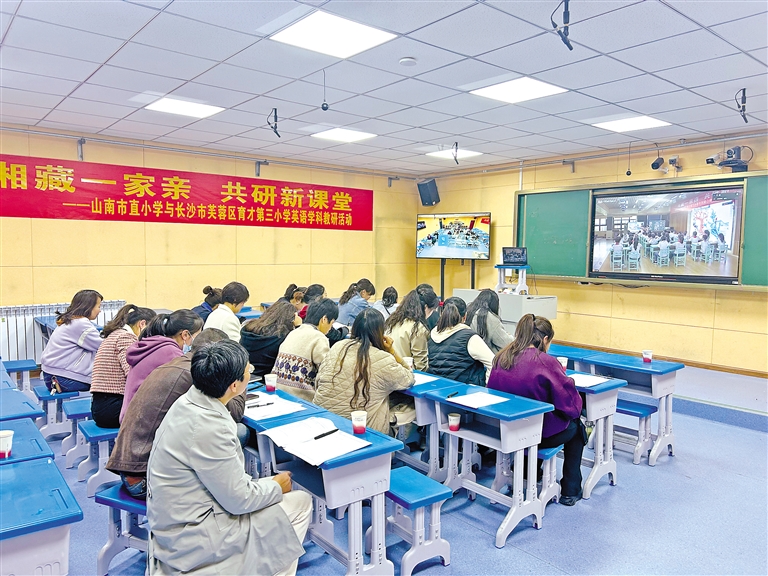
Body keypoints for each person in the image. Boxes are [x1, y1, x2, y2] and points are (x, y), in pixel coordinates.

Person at [146, 340, 311, 576]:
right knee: (300, 502)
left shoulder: (186, 402)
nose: (250, 372)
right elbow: (238, 500)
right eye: (248, 370)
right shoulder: (210, 427)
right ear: (235, 385)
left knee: (265, 489)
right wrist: (275, 486)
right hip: (193, 537)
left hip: (174, 520)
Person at [108, 329, 249, 499]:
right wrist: (240, 375)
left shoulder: (176, 364)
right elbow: (235, 412)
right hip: (143, 478)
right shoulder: (195, 375)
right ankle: (233, 488)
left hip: (131, 466)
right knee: (239, 431)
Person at [488, 314, 585, 506]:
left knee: (536, 418)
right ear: (545, 339)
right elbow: (571, 405)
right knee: (576, 428)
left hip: (506, 428)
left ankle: (526, 472)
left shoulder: (502, 357)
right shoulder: (546, 362)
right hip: (536, 434)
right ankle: (570, 490)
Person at [315, 308, 415, 435]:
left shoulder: (338, 347)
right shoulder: (383, 359)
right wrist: (392, 352)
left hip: (323, 423)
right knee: (409, 404)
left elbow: (319, 381)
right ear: (380, 333)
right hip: (361, 430)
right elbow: (409, 378)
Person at [120, 309, 203, 423]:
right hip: (142, 421)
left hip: (130, 417)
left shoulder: (153, 344)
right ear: (185, 334)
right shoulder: (171, 353)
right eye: (197, 336)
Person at [90, 304, 157, 428]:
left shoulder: (116, 334)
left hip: (104, 405)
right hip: (112, 407)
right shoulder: (126, 337)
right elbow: (133, 373)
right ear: (142, 324)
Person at [273, 298, 337, 401]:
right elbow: (327, 372)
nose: (330, 328)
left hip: (279, 392)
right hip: (302, 398)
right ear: (324, 319)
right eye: (331, 323)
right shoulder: (319, 338)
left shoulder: (293, 332)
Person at [40, 289, 104, 393]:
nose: (100, 310)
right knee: (109, 383)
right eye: (99, 306)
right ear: (88, 306)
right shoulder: (81, 324)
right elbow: (103, 345)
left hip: (50, 375)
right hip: (62, 379)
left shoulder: (70, 320)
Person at [427, 297, 493, 386]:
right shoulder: (469, 337)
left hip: (437, 389)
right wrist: (486, 388)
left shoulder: (433, 334)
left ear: (442, 314)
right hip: (465, 391)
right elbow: (493, 363)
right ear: (465, 316)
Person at [240, 300, 299, 379]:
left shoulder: (247, 328)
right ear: (291, 320)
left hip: (243, 375)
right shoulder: (282, 338)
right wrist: (299, 327)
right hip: (268, 379)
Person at [385, 290, 430, 371]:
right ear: (424, 308)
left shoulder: (391, 322)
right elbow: (420, 362)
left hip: (390, 369)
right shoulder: (417, 328)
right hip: (407, 372)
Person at [465, 289, 513, 354]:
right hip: (485, 357)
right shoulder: (490, 318)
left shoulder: (468, 312)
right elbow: (506, 343)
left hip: (467, 354)